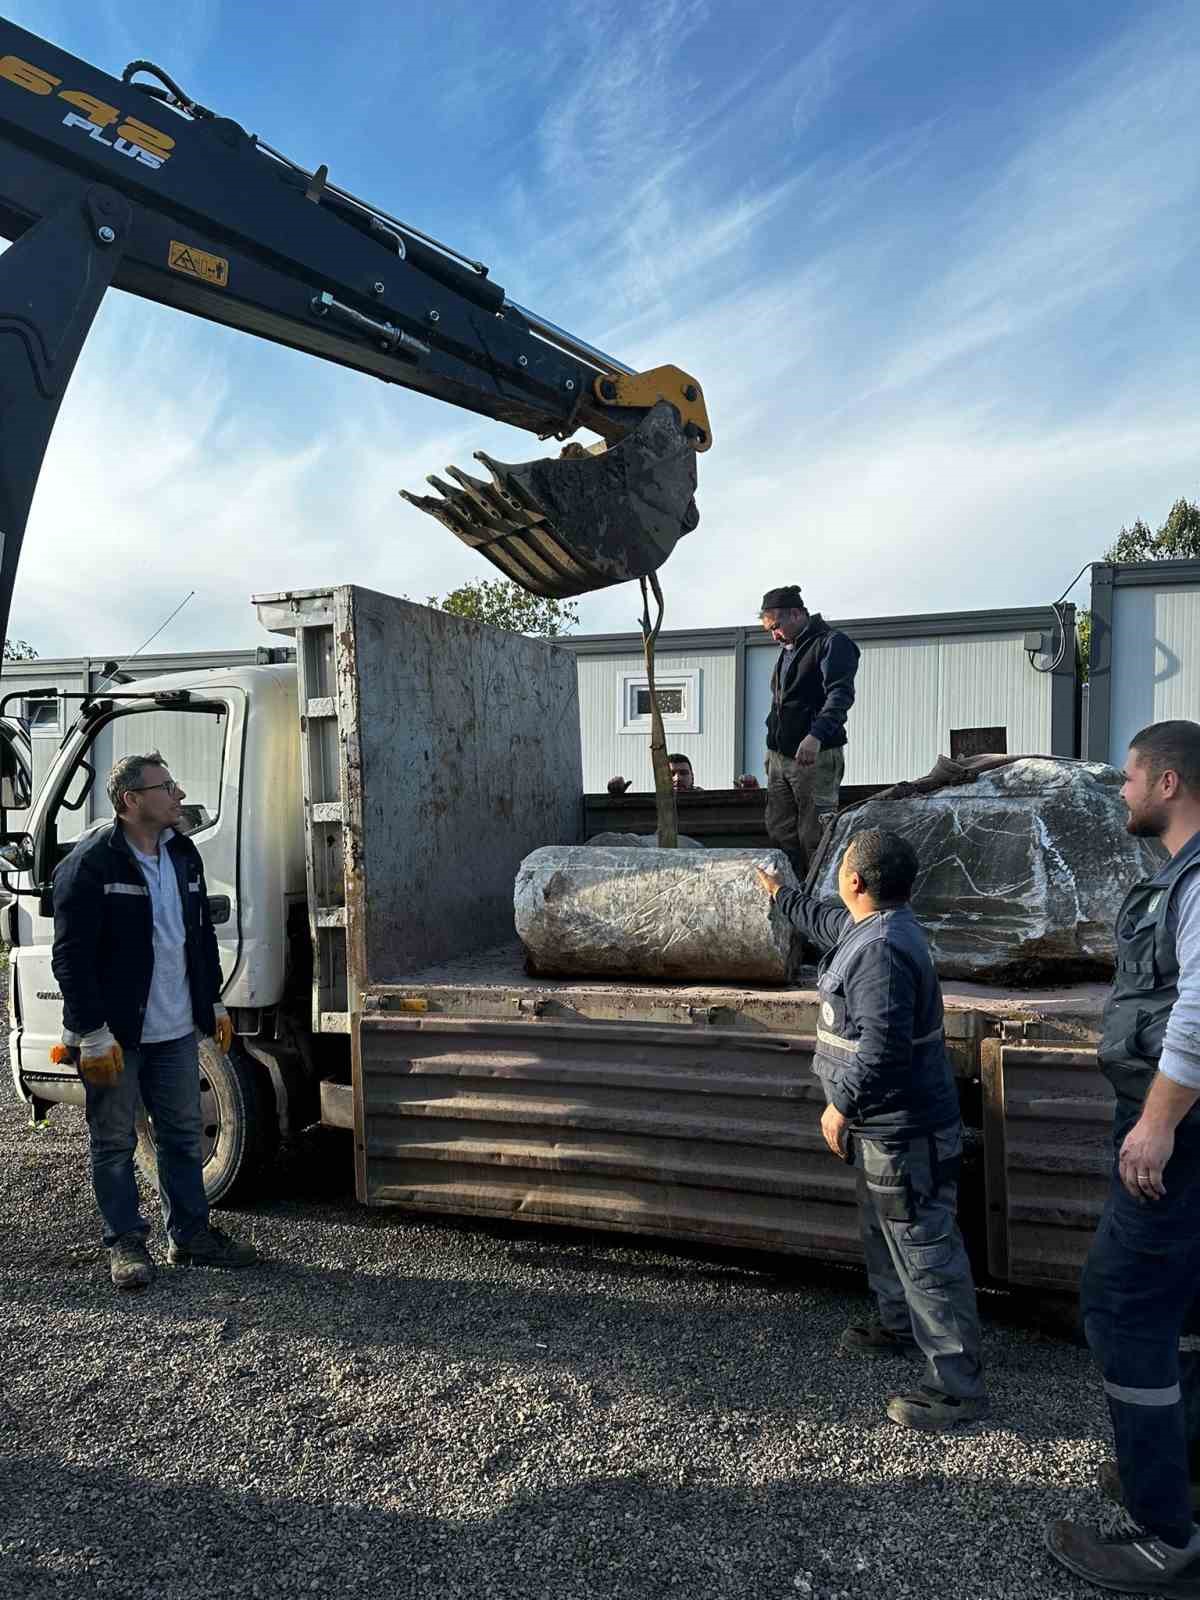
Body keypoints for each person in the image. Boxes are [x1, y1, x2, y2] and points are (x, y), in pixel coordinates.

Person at [756, 829, 987, 1431]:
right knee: (886, 1234)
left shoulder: (882, 951)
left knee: (925, 1250)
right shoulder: (873, 929)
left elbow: (882, 1051)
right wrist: (780, 895)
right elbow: (826, 922)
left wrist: (839, 1107)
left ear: (855, 881)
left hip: (902, 1130)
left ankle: (956, 1388)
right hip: (882, 1127)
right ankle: (898, 1326)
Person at [1046, 720, 1200, 1596]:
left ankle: (1161, 1535)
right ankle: (1184, 1468)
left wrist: (1158, 1124)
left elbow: (1199, 1012)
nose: (1124, 793)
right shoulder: (1179, 879)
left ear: (1169, 783)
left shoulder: (1197, 881)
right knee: (1180, 1305)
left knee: (1123, 1310)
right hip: (1184, 1130)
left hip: (1178, 1137)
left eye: (1131, 778)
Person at [51, 751, 257, 1291]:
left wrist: (212, 1002)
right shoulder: (91, 863)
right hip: (115, 1035)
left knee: (183, 1135)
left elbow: (198, 935)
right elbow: (70, 958)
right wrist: (91, 1031)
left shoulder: (182, 854)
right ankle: (125, 1244)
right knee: (115, 1142)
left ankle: (190, 1236)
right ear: (131, 800)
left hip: (175, 1029)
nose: (178, 794)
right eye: (166, 787)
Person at [760, 584, 859, 880]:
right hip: (780, 757)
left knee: (815, 836)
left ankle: (817, 899)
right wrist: (772, 748)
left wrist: (816, 736)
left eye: (776, 627)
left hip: (815, 755)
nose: (774, 636)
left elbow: (840, 695)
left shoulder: (832, 643)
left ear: (796, 614)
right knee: (780, 831)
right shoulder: (789, 649)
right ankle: (789, 895)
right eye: (769, 630)